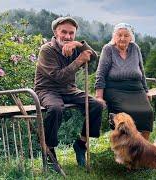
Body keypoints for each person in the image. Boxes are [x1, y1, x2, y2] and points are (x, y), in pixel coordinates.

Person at [34, 16, 103, 167]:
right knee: (55, 108)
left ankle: (80, 144)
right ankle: (50, 152)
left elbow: (94, 56)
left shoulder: (74, 46)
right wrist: (78, 61)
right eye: (63, 32)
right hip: (47, 90)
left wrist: (79, 44)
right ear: (55, 32)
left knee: (96, 105)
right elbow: (58, 77)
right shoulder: (47, 50)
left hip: (69, 90)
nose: (67, 36)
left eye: (71, 33)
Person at [95, 23, 153, 140]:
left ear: (131, 38)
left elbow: (141, 70)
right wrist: (99, 97)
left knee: (147, 112)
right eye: (119, 35)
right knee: (125, 116)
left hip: (136, 89)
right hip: (115, 89)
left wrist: (146, 91)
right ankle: (123, 150)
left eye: (126, 35)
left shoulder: (135, 48)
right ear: (114, 36)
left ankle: (142, 148)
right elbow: (100, 74)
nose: (122, 38)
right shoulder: (108, 49)